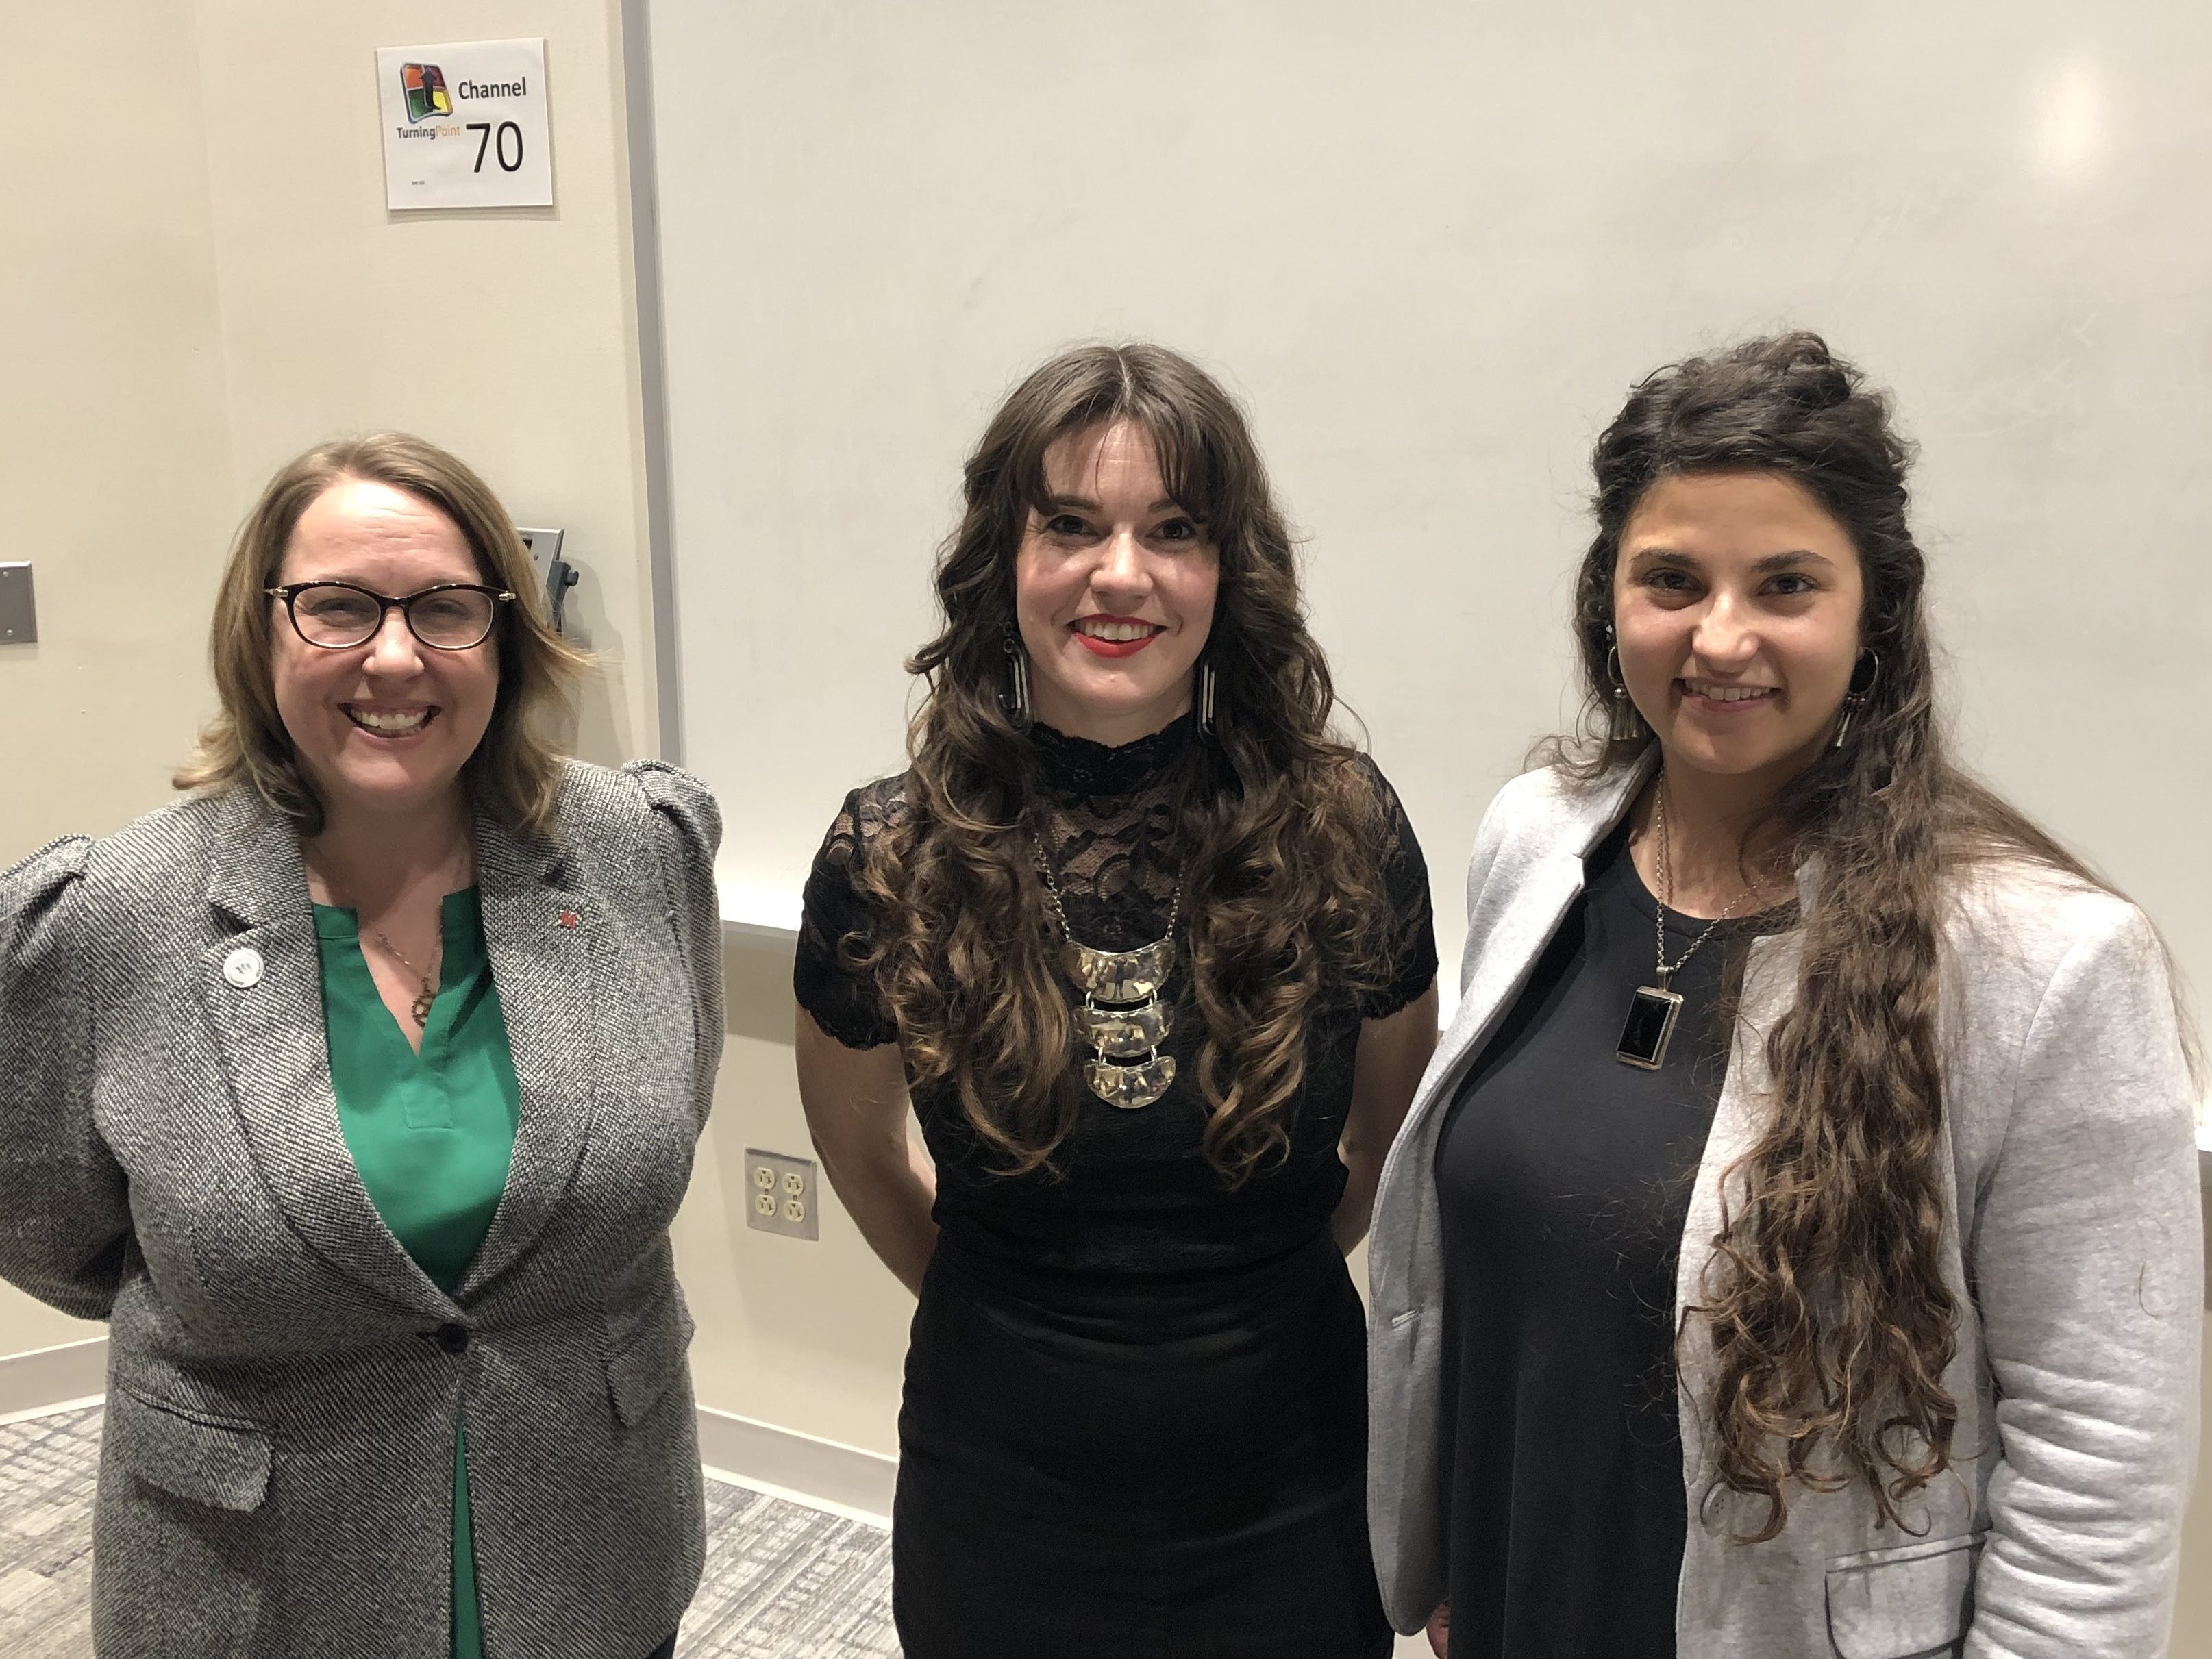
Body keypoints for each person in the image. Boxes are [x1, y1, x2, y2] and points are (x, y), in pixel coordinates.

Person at [1365, 332, 2203, 1658]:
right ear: (1607, 599)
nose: (1720, 635)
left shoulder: (2044, 964)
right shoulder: (1537, 839)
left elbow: (2092, 1464)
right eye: (1671, 579)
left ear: (1873, 613)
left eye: (1785, 584)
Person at [0, 434, 723, 1658]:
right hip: (256, 1584)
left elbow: (664, 1113)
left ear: (505, 633)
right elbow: (49, 1228)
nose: (394, 655)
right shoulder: (113, 916)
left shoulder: (641, 852)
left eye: (445, 606)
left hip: (595, 1547)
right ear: (260, 632)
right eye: (336, 606)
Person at [793, 342, 1439, 1658]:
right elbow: (859, 1156)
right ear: (1002, 561)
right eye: (1072, 526)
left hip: (1296, 1483)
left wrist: (1239, 1299)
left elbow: (1388, 1144)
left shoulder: (1343, 830)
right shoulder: (890, 855)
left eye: (1174, 530)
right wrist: (1018, 1308)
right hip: (997, 1489)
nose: (1122, 574)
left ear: (1228, 570)